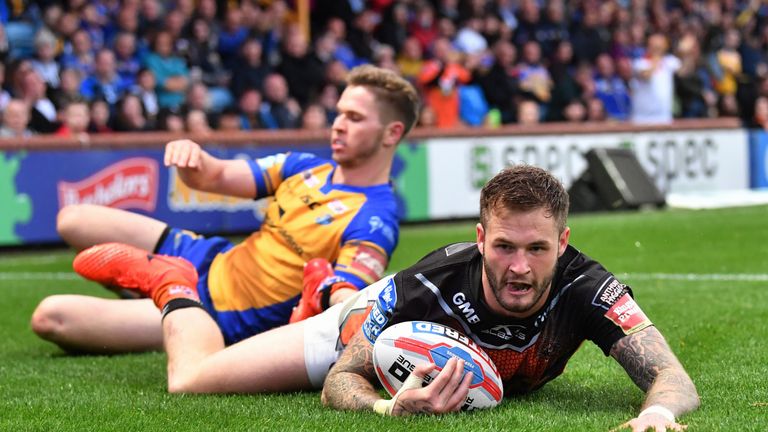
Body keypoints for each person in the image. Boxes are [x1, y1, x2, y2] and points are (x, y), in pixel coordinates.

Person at [54, 165, 699, 432]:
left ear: (564, 241)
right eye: (504, 246)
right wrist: (391, 408)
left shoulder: (589, 287)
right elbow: (343, 377)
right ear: (480, 239)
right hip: (352, 327)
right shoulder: (430, 283)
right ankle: (175, 286)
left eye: (537, 249)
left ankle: (306, 294)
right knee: (190, 381)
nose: (520, 267)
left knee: (56, 321)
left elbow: (669, 375)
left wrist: (658, 417)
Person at [32, 65, 419, 354]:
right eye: (338, 113)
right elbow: (214, 177)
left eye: (354, 118)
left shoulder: (375, 220)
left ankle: (162, 297)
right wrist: (193, 157)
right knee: (74, 220)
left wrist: (328, 295)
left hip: (216, 313)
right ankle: (145, 290)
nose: (337, 126)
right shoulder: (304, 167)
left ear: (392, 133)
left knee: (50, 317)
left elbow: (347, 302)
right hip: (209, 258)